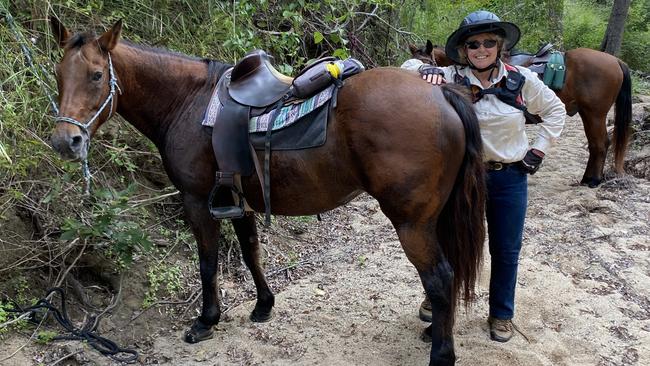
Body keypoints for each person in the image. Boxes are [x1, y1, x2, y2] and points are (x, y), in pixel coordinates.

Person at [401, 10, 565, 342]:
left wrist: (538, 149)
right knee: (451, 244)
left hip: (508, 178)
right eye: (473, 43)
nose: (481, 49)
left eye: (489, 42)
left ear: (499, 45)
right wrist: (427, 67)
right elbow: (404, 70)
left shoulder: (521, 80)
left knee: (506, 249)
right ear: (463, 49)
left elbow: (555, 110)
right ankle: (440, 305)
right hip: (461, 179)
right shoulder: (450, 76)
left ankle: (501, 314)